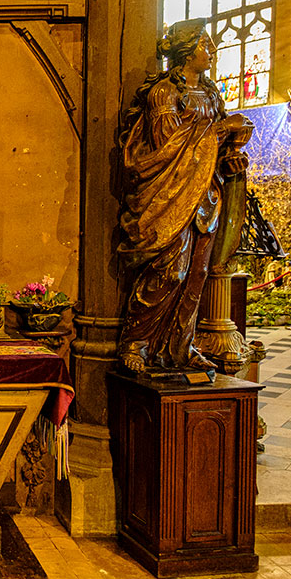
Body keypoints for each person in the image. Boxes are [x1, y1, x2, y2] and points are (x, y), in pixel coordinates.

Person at [117, 19, 252, 374]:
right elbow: (167, 148)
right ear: (186, 49)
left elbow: (210, 148)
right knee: (170, 272)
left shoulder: (210, 94)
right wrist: (222, 130)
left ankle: (181, 345)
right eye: (205, 44)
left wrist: (230, 156)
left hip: (206, 194)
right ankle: (137, 343)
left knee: (196, 276)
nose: (212, 51)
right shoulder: (164, 92)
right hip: (169, 196)